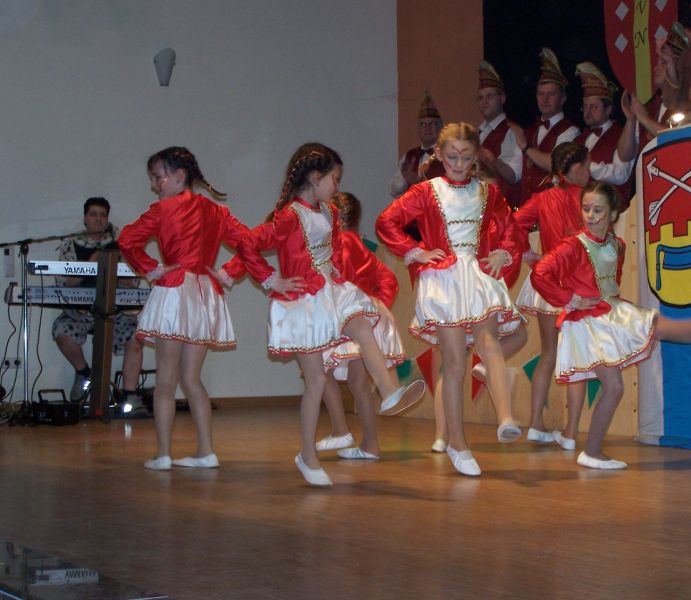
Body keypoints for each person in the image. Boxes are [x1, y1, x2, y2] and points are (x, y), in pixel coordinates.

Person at [236, 143, 425, 487]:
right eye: (334, 178)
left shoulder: (330, 212)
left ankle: (389, 391)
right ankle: (307, 455)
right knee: (317, 382)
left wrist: (336, 268)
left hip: (331, 292)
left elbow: (335, 247)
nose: (338, 185)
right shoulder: (290, 216)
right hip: (304, 302)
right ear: (315, 177)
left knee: (363, 325)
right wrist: (272, 279)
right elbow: (249, 244)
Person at [532, 182, 691, 469]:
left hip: (611, 314)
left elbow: (612, 281)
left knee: (660, 327)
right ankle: (591, 452)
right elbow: (540, 273)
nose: (590, 215)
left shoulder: (616, 244)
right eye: (586, 208)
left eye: (598, 210)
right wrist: (570, 299)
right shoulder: (573, 245)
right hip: (588, 324)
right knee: (615, 387)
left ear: (613, 213)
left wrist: (626, 325)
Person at [377, 122, 525, 477]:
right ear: (440, 156)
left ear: (476, 158)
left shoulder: (488, 192)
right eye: (453, 157)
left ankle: (506, 418)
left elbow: (511, 229)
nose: (459, 164)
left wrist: (503, 252)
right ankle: (457, 442)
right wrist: (416, 252)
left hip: (476, 274)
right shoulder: (426, 191)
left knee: (489, 341)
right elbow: (386, 222)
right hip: (443, 279)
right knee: (455, 363)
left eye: (467, 157)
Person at [118, 147, 250, 471]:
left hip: (176, 293)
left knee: (166, 379)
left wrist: (152, 269)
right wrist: (228, 272)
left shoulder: (163, 209)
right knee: (192, 379)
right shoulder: (216, 211)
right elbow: (251, 243)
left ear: (179, 176)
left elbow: (126, 239)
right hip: (204, 295)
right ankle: (206, 451)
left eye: (158, 177)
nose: (154, 185)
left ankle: (163, 454)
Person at [315, 191, 404, 460]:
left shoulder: (339, 244)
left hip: (345, 318)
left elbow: (336, 281)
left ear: (339, 217)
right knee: (358, 383)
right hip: (360, 318)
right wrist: (377, 303)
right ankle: (370, 444)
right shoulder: (358, 244)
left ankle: (341, 430)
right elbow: (388, 279)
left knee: (318, 372)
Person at [514, 142, 591, 451]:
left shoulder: (542, 198)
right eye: (586, 166)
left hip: (548, 282)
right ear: (574, 169)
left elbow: (512, 224)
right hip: (578, 284)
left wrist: (528, 254)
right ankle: (570, 432)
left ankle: (536, 424)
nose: (589, 172)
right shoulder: (590, 198)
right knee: (578, 357)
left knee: (549, 354)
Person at [52, 197, 143, 409]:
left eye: (103, 215)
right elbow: (64, 283)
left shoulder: (121, 243)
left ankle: (129, 395)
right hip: (81, 312)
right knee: (61, 330)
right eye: (93, 214)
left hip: (115, 311)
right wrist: (91, 263)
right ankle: (84, 373)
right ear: (85, 218)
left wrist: (112, 268)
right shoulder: (71, 243)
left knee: (136, 337)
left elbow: (134, 282)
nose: (98, 219)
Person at [516, 48, 581, 200]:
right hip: (526, 207)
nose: (544, 99)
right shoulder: (529, 131)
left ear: (563, 98)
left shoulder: (571, 131)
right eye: (541, 94)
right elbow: (515, 174)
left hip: (552, 208)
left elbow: (556, 164)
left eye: (551, 94)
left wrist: (526, 147)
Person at [574, 62, 636, 211]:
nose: (588, 112)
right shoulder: (578, 140)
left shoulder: (623, 134)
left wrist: (587, 166)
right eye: (585, 106)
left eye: (594, 106)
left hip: (613, 213)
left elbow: (621, 175)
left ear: (608, 109)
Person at [476, 61, 524, 208]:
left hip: (502, 209)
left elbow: (514, 175)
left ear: (502, 98)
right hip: (479, 207)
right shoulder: (477, 132)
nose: (484, 102)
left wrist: (493, 161)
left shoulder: (511, 131)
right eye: (481, 97)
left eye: (489, 96)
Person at [389, 91, 445, 198]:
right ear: (418, 129)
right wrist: (405, 178)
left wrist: (417, 181)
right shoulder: (410, 155)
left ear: (441, 127)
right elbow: (394, 190)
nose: (427, 128)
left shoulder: (447, 155)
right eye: (423, 124)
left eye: (432, 124)